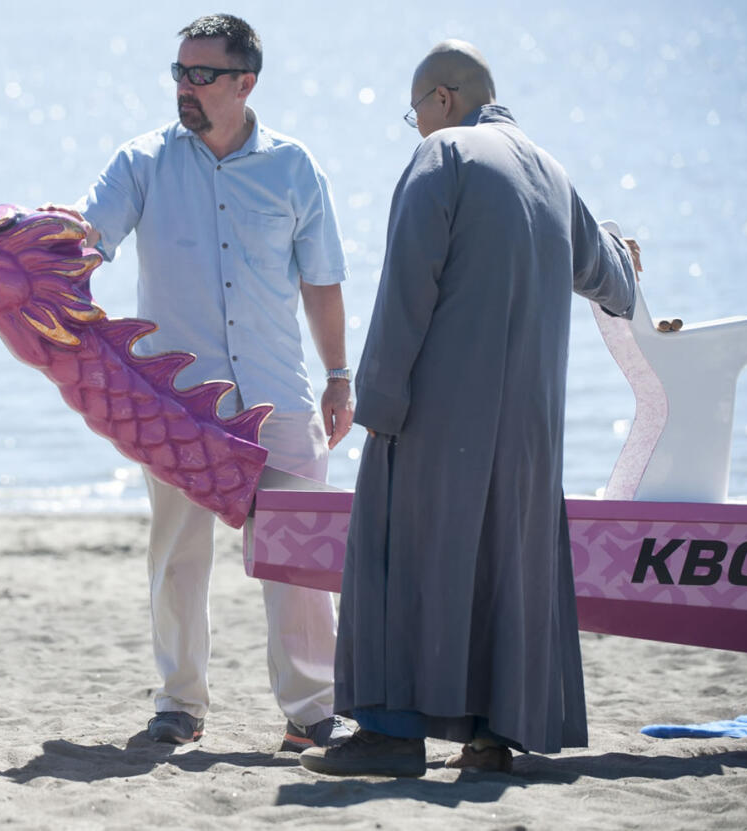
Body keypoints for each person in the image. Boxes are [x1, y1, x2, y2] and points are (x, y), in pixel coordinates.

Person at [299, 40, 641, 777]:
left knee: (394, 561)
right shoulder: (552, 171)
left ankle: (390, 736)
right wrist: (620, 249)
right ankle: (490, 738)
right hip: (530, 432)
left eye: (414, 112)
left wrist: (378, 400)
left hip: (439, 412)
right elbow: (611, 278)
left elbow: (406, 284)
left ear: (443, 100)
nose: (415, 126)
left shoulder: (444, 154)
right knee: (500, 570)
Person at [66, 14, 354, 750]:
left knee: (297, 559)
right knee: (177, 557)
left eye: (202, 75)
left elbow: (323, 282)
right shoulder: (141, 162)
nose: (185, 88)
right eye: (179, 73)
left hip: (279, 401)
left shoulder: (295, 168)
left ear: (244, 82)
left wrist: (338, 374)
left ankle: (312, 710)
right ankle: (179, 704)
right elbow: (87, 240)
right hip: (180, 405)